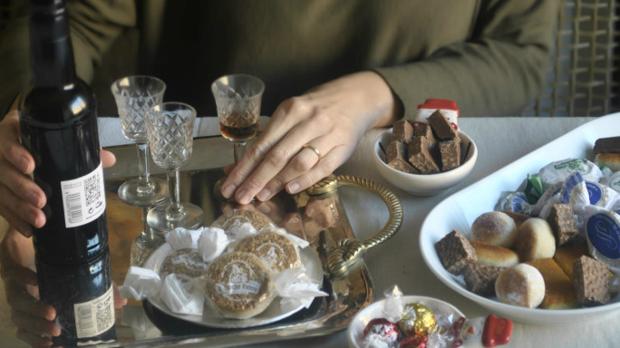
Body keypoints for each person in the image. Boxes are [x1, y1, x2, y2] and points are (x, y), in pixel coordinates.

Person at [0, 0, 560, 345]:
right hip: (199, 196)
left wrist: (380, 93)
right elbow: (65, 17)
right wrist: (21, 105)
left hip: (414, 210)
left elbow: (523, 51)